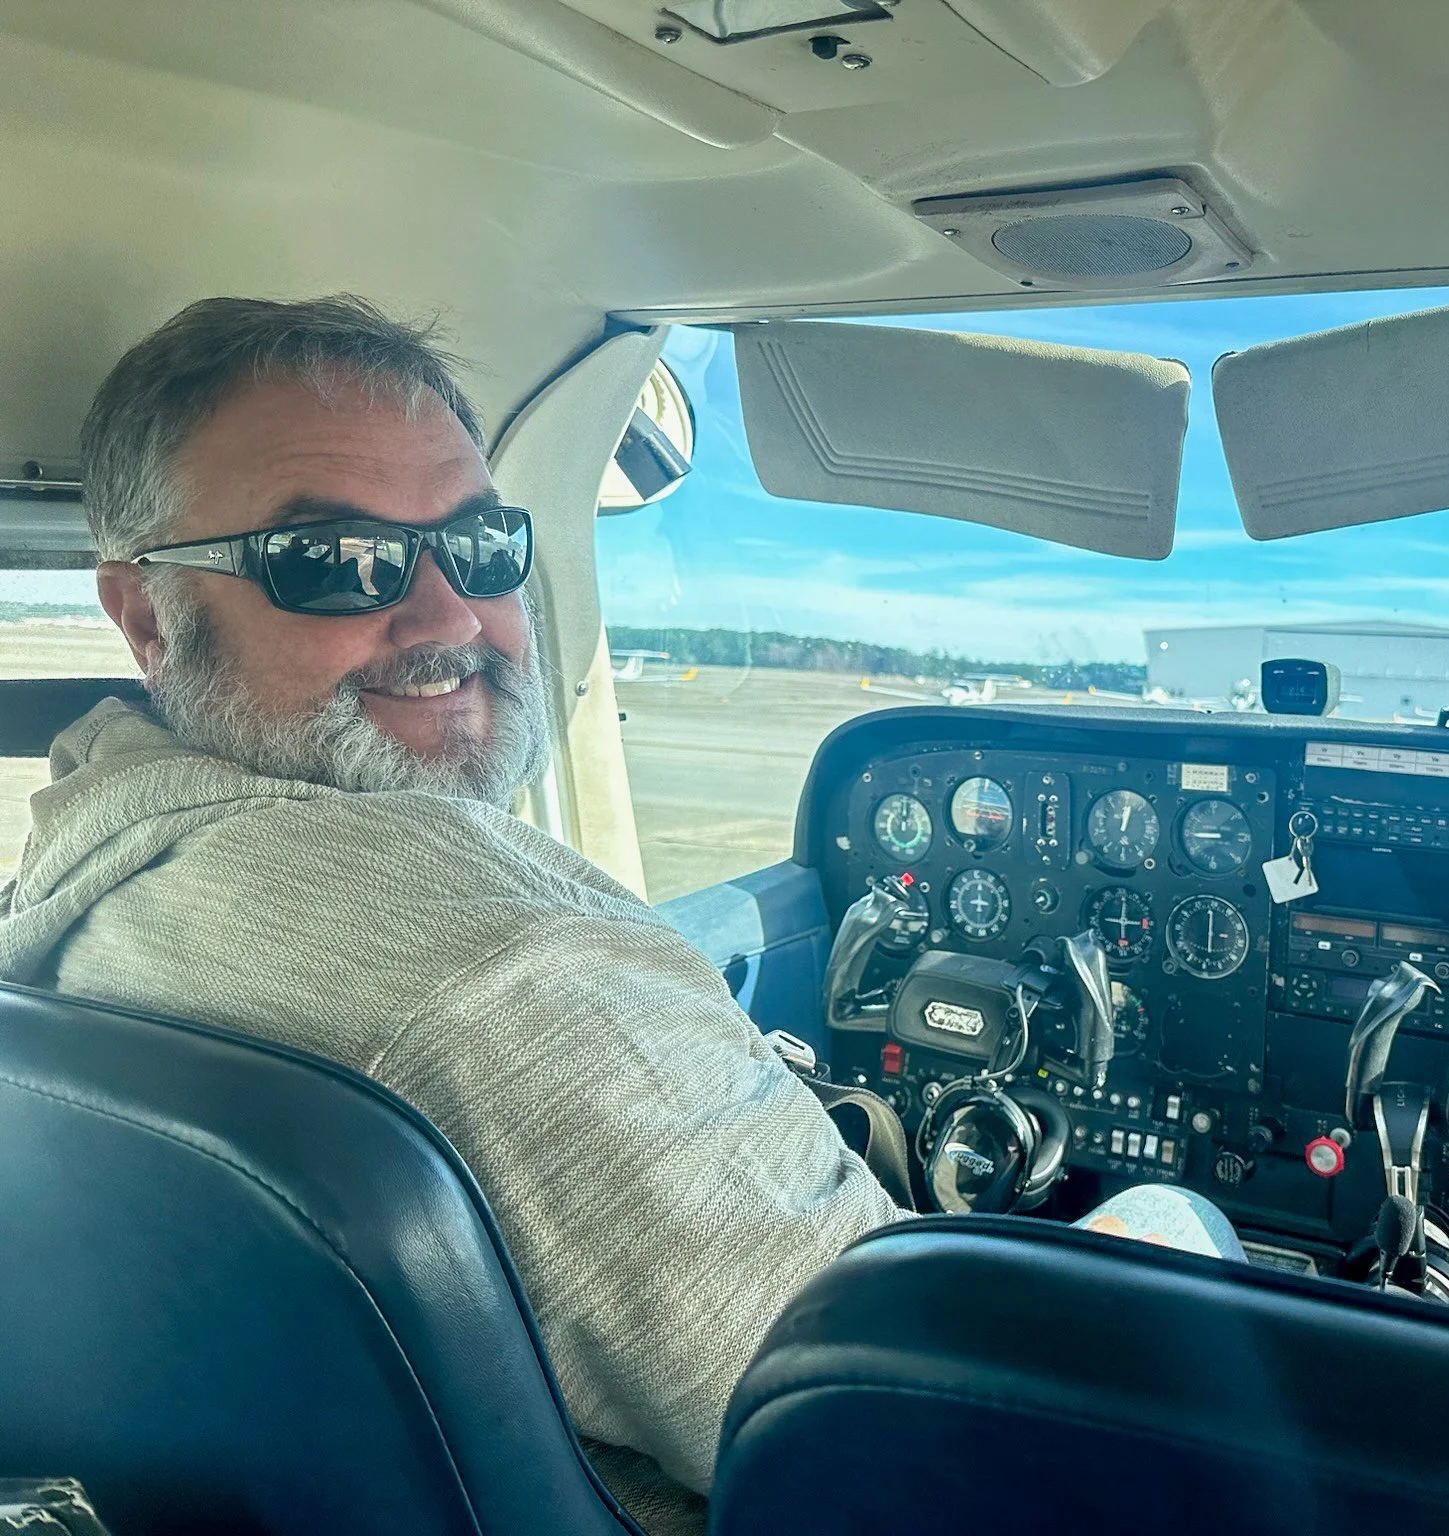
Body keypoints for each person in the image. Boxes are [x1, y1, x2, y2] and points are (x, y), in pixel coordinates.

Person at [0, 296, 905, 1534]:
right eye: (334, 562)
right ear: (150, 618)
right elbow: (911, 1424)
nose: (447, 620)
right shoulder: (517, 979)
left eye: (480, 548)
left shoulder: (85, 864)